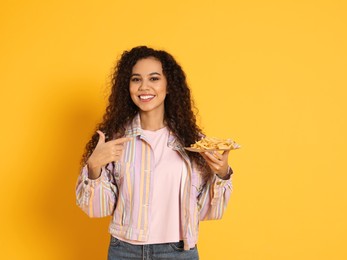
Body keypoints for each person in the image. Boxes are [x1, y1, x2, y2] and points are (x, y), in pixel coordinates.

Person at [76, 46, 234, 260]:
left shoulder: (193, 142)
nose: (144, 87)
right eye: (136, 79)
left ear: (169, 86)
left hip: (179, 252)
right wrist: (94, 167)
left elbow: (208, 211)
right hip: (125, 251)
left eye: (154, 78)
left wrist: (222, 174)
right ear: (127, 86)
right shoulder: (113, 139)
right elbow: (98, 209)